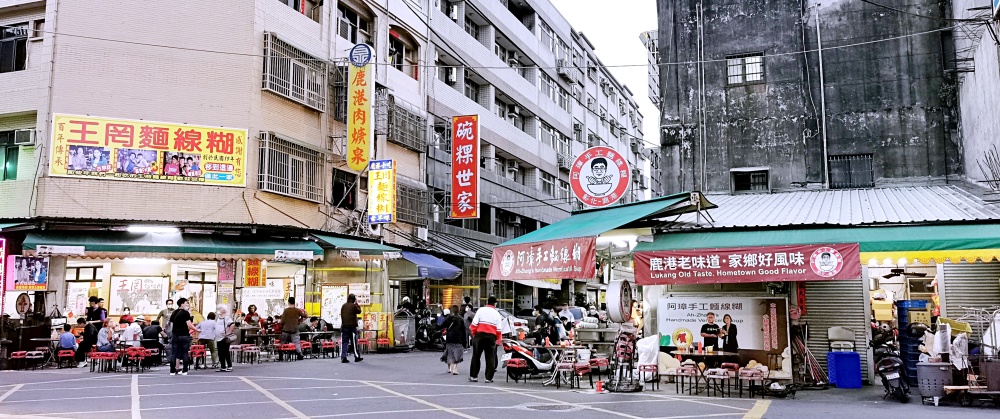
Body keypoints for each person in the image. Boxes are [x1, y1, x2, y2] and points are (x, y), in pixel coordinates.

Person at [468, 295, 503, 383]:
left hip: (479, 336)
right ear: (495, 303)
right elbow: (499, 330)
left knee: (476, 356)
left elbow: (474, 325)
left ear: (487, 302)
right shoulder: (497, 314)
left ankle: (474, 376)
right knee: (490, 357)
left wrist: (474, 334)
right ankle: (488, 378)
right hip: (491, 337)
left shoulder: (481, 310)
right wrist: (498, 339)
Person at [168, 297, 195, 376]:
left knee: (174, 353)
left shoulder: (174, 312)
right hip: (184, 335)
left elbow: (171, 324)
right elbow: (189, 324)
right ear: (182, 304)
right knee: (185, 352)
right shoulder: (185, 313)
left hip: (175, 335)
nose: (187, 304)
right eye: (186, 303)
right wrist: (196, 329)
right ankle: (185, 370)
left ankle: (172, 370)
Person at [440, 305, 467, 375]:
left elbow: (442, 325)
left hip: (449, 337)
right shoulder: (461, 319)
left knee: (449, 352)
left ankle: (449, 368)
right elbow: (464, 331)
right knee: (457, 353)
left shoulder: (448, 318)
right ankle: (455, 368)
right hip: (458, 338)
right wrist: (465, 342)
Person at [340, 294, 363, 363]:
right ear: (354, 299)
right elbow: (359, 311)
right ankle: (356, 357)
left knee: (344, 342)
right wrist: (357, 304)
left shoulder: (343, 306)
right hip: (352, 327)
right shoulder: (353, 306)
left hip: (344, 327)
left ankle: (343, 357)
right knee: (354, 343)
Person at [215, 304, 235, 372]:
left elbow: (232, 324)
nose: (218, 310)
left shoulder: (226, 318)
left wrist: (228, 332)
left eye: (220, 309)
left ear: (223, 310)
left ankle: (229, 366)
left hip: (224, 338)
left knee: (226, 352)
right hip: (218, 338)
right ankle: (223, 366)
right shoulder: (218, 317)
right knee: (220, 353)